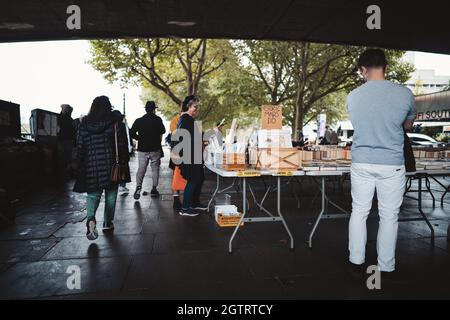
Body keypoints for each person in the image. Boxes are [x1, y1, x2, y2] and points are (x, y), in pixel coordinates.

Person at [347, 49, 415, 277]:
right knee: (389, 216)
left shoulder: (353, 96)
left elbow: (361, 123)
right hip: (391, 163)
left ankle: (356, 260)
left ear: (363, 70)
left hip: (362, 162)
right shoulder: (405, 93)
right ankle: (386, 266)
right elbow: (407, 126)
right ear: (386, 68)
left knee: (359, 211)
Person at [73, 96, 130, 240]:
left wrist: (78, 163)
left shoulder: (83, 123)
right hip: (111, 163)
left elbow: (79, 147)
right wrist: (124, 160)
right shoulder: (114, 122)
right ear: (108, 106)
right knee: (111, 195)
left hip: (91, 164)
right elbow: (122, 143)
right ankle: (107, 223)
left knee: (93, 195)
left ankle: (91, 219)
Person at [177, 95, 207, 217]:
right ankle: (185, 208)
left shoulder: (187, 119)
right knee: (193, 179)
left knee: (199, 178)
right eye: (195, 106)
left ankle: (194, 203)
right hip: (189, 155)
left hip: (192, 154)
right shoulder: (186, 119)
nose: (196, 109)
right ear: (189, 106)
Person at [130, 101, 166, 200]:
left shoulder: (139, 120)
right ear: (154, 109)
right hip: (155, 148)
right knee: (155, 169)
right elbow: (163, 131)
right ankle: (154, 188)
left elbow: (131, 132)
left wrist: (139, 138)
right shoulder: (157, 119)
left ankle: (138, 186)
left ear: (145, 109)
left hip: (142, 149)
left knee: (141, 169)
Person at [57, 104, 76, 180]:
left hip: (62, 140)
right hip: (67, 141)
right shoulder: (71, 120)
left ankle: (62, 174)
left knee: (63, 158)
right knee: (67, 158)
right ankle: (65, 174)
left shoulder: (60, 118)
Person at [169, 111, 184, 209]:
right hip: (179, 150)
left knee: (176, 175)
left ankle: (177, 199)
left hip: (177, 149)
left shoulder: (175, 120)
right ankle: (177, 200)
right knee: (177, 176)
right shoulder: (178, 120)